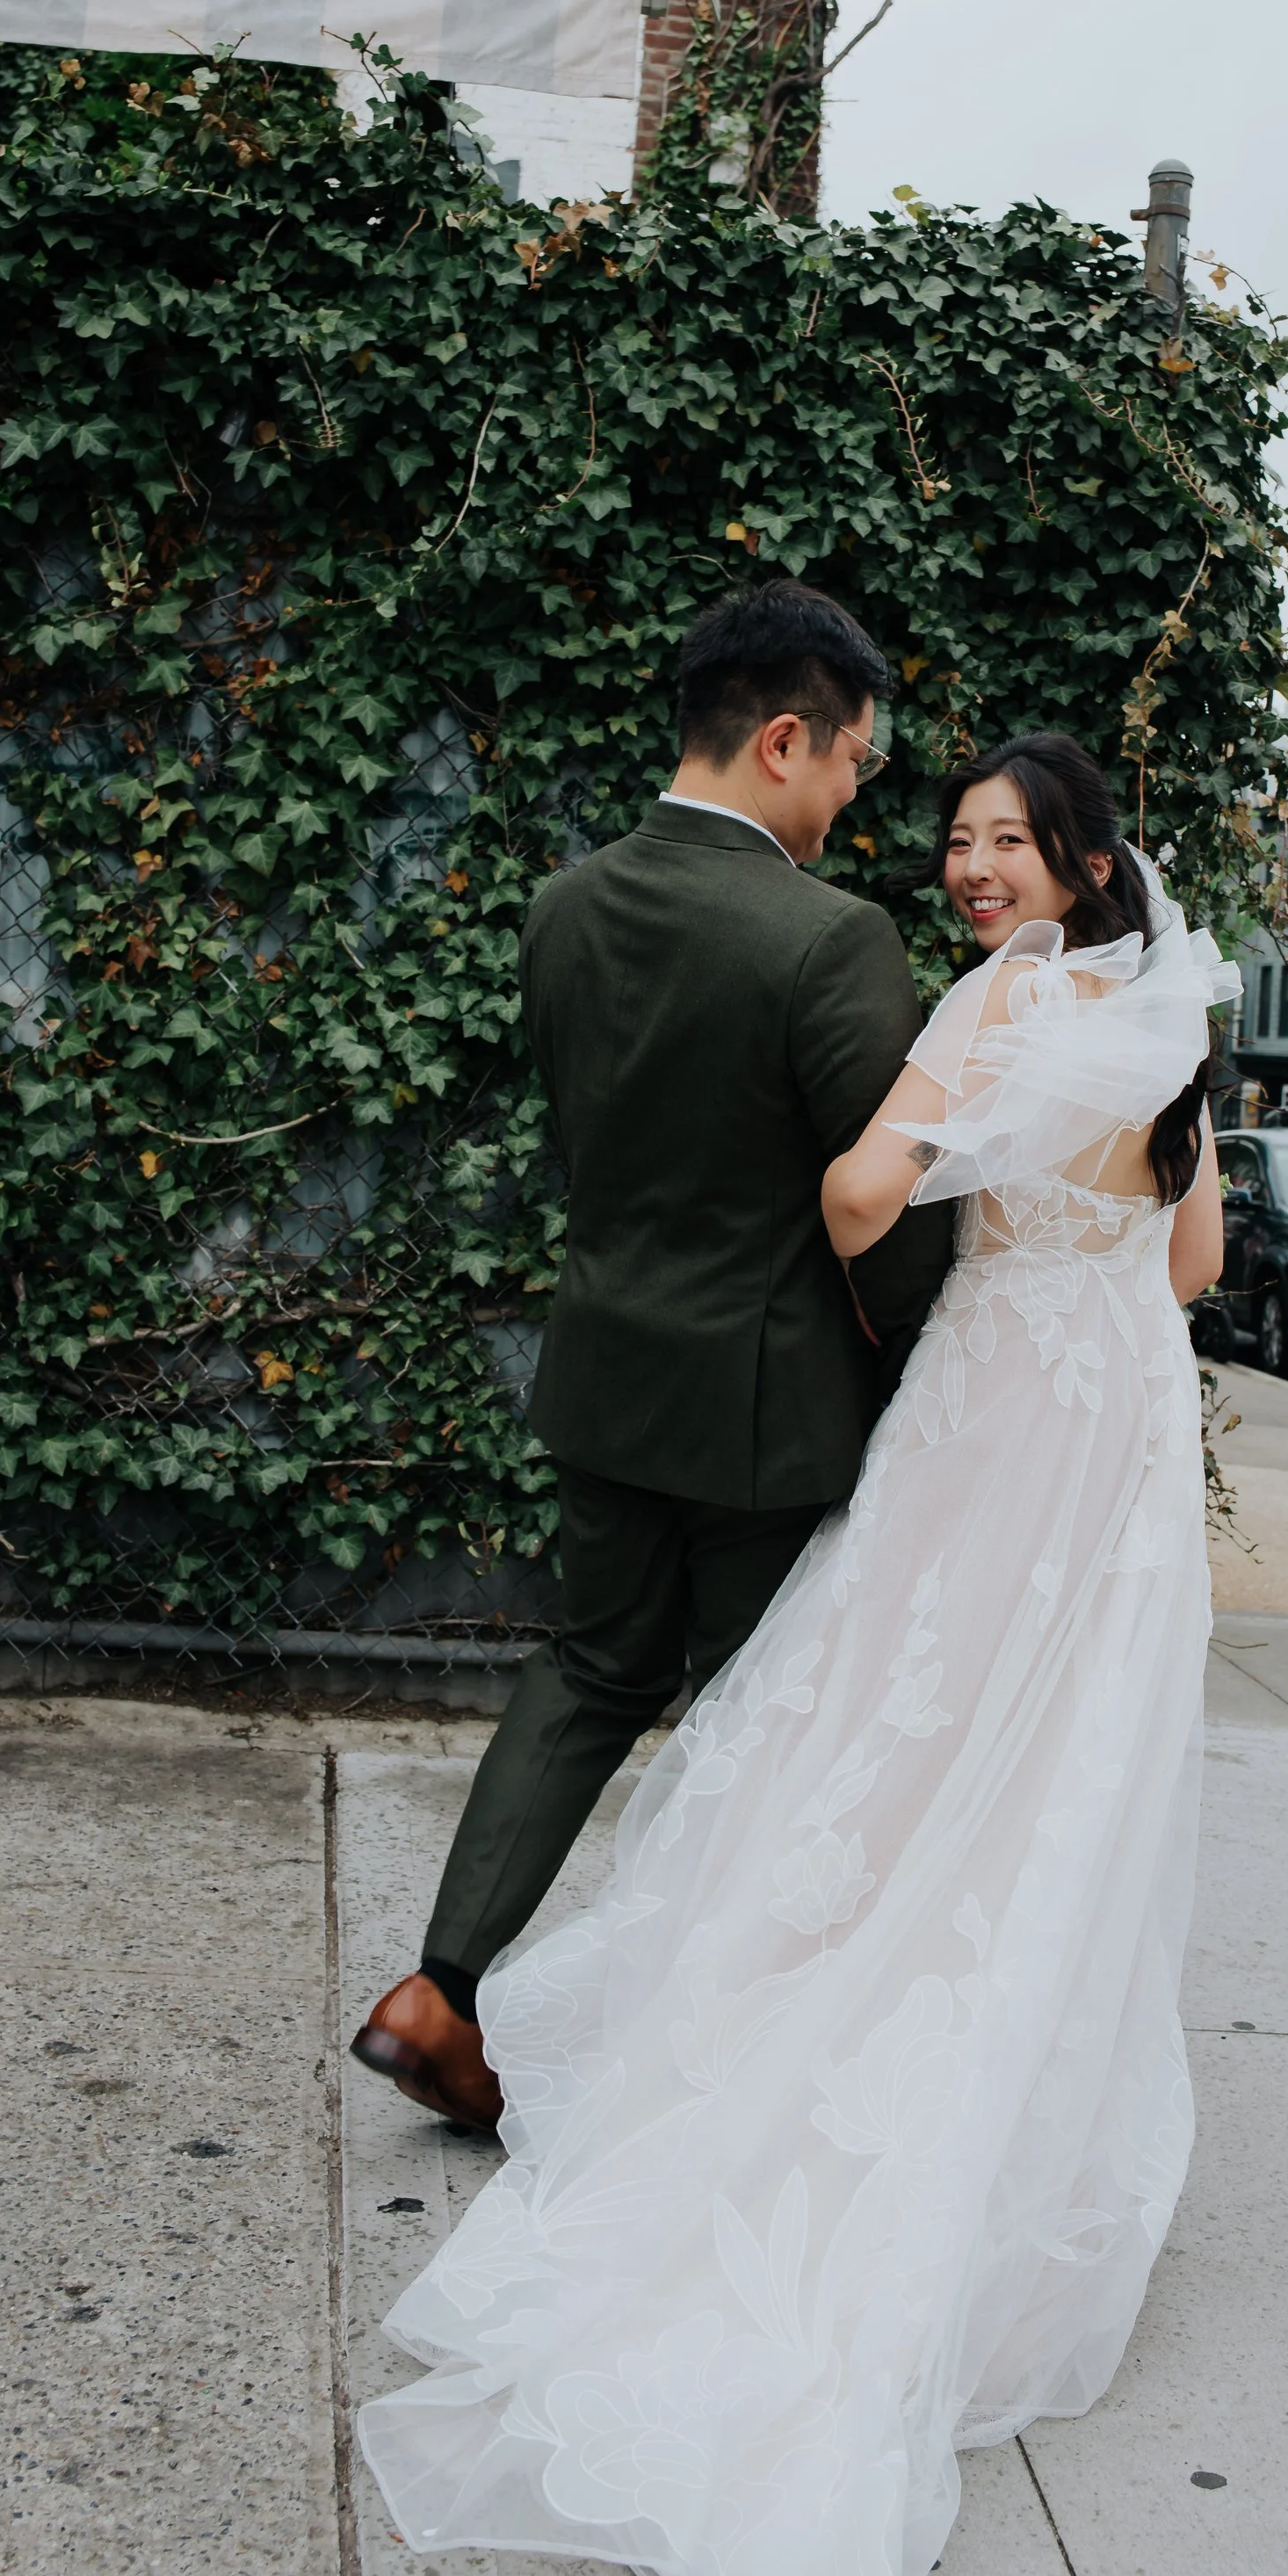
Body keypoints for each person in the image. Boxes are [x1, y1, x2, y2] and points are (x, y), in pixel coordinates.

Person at [358, 727, 1236, 2576]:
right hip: (1116, 1448)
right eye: (954, 837)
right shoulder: (1167, 1016)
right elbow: (1187, 1265)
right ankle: (1002, 2094)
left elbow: (853, 1202)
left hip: (993, 1411)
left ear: (1075, 864)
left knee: (879, 1720)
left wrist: (937, 1147)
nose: (969, 867)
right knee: (1051, 1770)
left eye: (1001, 841)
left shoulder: (992, 1011)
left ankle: (741, 2041)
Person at [351, 579, 954, 2129]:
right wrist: (936, 1362)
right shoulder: (832, 939)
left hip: (607, 1372)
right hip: (769, 1411)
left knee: (591, 1670)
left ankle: (443, 1981)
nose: (850, 797)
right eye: (851, 763)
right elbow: (881, 1220)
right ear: (780, 740)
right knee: (768, 1726)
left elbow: (597, 1146)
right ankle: (717, 2066)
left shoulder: (563, 908)